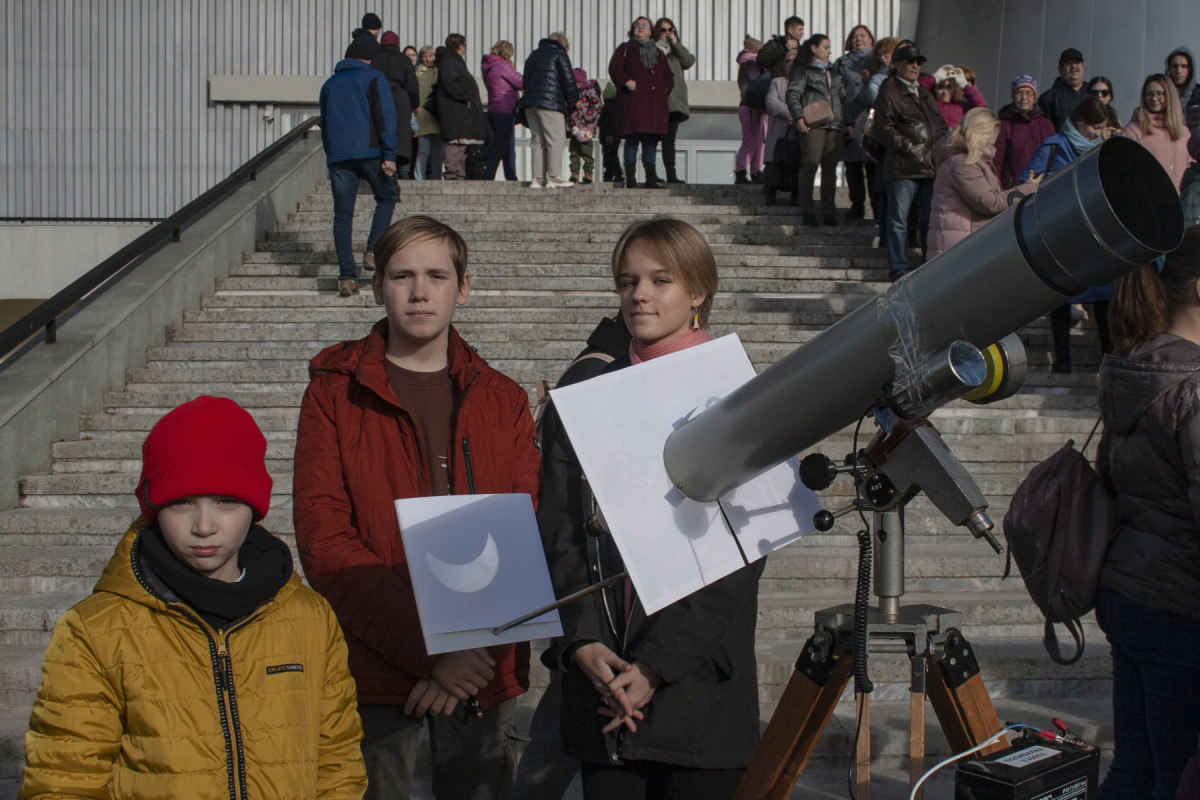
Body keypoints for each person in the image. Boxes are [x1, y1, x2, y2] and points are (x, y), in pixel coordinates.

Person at [293, 214, 541, 800]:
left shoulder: (502, 398)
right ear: (378, 287)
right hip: (380, 666)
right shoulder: (333, 391)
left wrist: (464, 659)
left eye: (436, 275)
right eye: (402, 275)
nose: (420, 291)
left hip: (484, 668)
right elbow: (327, 541)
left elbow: (523, 533)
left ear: (464, 286)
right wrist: (431, 653)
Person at [19, 396, 367, 799]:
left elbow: (337, 761)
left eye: (226, 502)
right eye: (181, 503)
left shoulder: (310, 617)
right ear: (154, 508)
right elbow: (63, 781)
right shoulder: (96, 630)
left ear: (254, 507)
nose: (204, 526)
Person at [538, 217, 764, 800]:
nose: (639, 294)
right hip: (602, 681)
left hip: (699, 693)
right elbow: (559, 528)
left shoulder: (737, 396)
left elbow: (741, 555)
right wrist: (583, 641)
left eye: (660, 280)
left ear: (697, 291)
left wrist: (657, 667)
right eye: (627, 280)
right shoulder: (584, 396)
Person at [1095, 224, 1200, 800]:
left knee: (1134, 769)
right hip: (1179, 600)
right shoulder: (1194, 383)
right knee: (1177, 778)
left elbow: (1112, 477)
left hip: (1130, 589)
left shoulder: (1133, 367)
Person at [510, 312, 632, 800]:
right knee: (559, 739)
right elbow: (565, 506)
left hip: (605, 591)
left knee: (556, 736)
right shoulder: (598, 372)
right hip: (601, 586)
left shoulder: (600, 361)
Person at [1023, 97, 1117, 372]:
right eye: (1095, 127)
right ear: (1081, 123)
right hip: (1063, 235)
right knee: (1062, 298)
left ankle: (1108, 358)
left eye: (1103, 128)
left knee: (1103, 299)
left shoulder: (1101, 151)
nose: (1098, 134)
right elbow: (1026, 183)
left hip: (1097, 235)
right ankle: (1063, 361)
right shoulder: (1052, 147)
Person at [319, 35, 398, 298]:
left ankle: (347, 277)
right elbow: (384, 117)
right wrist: (390, 153)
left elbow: (325, 123)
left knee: (343, 214)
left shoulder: (329, 84)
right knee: (387, 196)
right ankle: (373, 251)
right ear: (370, 57)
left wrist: (331, 154)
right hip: (371, 151)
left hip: (339, 156)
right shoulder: (374, 77)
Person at [874, 42, 948, 281]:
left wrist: (944, 145)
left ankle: (929, 262)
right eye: (910, 62)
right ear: (897, 65)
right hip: (903, 167)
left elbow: (939, 124)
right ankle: (898, 266)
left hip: (929, 165)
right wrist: (908, 147)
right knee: (898, 220)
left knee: (929, 218)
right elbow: (883, 128)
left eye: (918, 62)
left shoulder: (924, 93)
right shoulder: (889, 90)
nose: (915, 66)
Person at [927, 107, 1040, 258]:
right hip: (960, 246)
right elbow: (989, 203)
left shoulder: (968, 161)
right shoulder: (964, 164)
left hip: (961, 241)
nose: (992, 144)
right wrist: (1028, 188)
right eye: (990, 139)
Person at [787, 33, 847, 226]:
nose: (829, 51)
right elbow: (793, 93)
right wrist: (798, 117)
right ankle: (808, 210)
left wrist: (849, 122)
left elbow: (843, 97)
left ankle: (829, 211)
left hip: (835, 123)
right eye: (825, 47)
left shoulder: (835, 71)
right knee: (810, 163)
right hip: (814, 122)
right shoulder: (803, 70)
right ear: (814, 48)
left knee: (830, 168)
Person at [609, 17, 674, 189]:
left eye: (644, 25)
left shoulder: (658, 53)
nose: (640, 28)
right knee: (631, 139)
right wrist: (626, 82)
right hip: (633, 103)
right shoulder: (625, 49)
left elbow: (669, 77)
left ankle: (650, 179)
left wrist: (663, 90)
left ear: (651, 31)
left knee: (650, 141)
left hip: (654, 105)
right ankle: (630, 179)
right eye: (637, 25)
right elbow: (614, 69)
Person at [520, 33, 579, 189]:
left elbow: (525, 80)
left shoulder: (533, 55)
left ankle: (537, 179)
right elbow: (568, 80)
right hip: (551, 101)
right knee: (555, 138)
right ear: (563, 44)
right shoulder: (559, 53)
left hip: (530, 102)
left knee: (537, 140)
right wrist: (574, 101)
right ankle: (554, 177)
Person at [1122, 73, 1194, 193]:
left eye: (1160, 93)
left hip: (1179, 204)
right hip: (1148, 204)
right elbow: (1124, 170)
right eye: (1149, 94)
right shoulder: (1134, 131)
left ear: (1169, 96)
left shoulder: (1184, 133)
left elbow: (1192, 169)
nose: (1154, 98)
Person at [837, 24, 876, 220]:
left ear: (871, 39)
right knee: (853, 166)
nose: (858, 39)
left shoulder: (878, 60)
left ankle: (877, 208)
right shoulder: (841, 63)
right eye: (854, 36)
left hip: (873, 119)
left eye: (863, 35)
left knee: (873, 165)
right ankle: (857, 206)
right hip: (850, 117)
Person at [435, 34, 487, 181]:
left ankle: (458, 173)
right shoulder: (450, 60)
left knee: (461, 144)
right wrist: (466, 95)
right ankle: (452, 173)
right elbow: (451, 82)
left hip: (459, 110)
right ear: (460, 46)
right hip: (456, 111)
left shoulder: (451, 60)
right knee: (455, 143)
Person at [372, 31, 420, 186]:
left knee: (381, 130)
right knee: (401, 134)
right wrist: (414, 104)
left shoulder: (375, 58)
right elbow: (413, 87)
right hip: (400, 98)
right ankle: (403, 172)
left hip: (379, 96)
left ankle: (382, 170)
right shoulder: (403, 60)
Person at [994, 74, 1055, 189]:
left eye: (1028, 93)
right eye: (1019, 93)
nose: (1024, 97)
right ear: (1013, 96)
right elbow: (997, 163)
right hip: (1014, 189)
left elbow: (1054, 157)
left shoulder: (1047, 125)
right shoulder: (1004, 125)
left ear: (1034, 96)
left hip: (1042, 187)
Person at [654, 17, 695, 184]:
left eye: (671, 30)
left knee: (669, 139)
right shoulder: (653, 49)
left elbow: (689, 61)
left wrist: (676, 43)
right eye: (664, 30)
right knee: (651, 138)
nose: (667, 33)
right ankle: (650, 173)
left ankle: (671, 175)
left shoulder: (676, 52)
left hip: (674, 102)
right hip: (657, 101)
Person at [481, 40, 524, 181]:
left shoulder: (490, 66)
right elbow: (521, 82)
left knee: (508, 147)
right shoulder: (502, 65)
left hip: (494, 109)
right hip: (504, 110)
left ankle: (511, 176)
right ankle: (488, 176)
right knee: (500, 146)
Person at [763, 50, 801, 205]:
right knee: (774, 166)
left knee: (796, 166)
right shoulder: (777, 82)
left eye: (794, 60)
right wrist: (788, 112)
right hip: (778, 132)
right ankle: (771, 197)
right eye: (788, 61)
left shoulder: (804, 83)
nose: (791, 63)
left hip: (797, 133)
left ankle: (795, 198)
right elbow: (771, 102)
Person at [735, 35, 767, 185]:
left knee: (759, 141)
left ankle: (754, 170)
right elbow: (758, 86)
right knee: (752, 140)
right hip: (752, 107)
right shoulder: (752, 63)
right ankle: (743, 170)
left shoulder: (747, 64)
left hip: (753, 107)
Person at [1037, 47, 1087, 131]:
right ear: (1060, 70)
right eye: (1068, 63)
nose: (1074, 66)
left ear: (1083, 66)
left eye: (1077, 62)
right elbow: (1043, 132)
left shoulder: (1095, 93)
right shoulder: (1048, 98)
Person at [568, 68, 602, 184]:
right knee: (574, 152)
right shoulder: (571, 92)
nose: (577, 85)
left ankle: (588, 172)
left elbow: (597, 106)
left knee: (587, 151)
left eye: (579, 82)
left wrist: (587, 118)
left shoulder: (589, 90)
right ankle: (574, 172)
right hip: (574, 127)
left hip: (586, 128)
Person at [414, 46, 443, 180]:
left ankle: (436, 177)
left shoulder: (440, 72)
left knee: (438, 152)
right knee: (423, 150)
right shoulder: (417, 73)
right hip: (423, 115)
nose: (428, 59)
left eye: (431, 56)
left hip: (437, 115)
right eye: (425, 56)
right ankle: (419, 177)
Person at [930, 63, 986, 130]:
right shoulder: (931, 104)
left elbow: (981, 107)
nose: (969, 85)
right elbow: (920, 90)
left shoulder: (962, 105)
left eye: (971, 82)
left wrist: (965, 86)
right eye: (965, 81)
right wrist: (935, 77)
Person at [1166, 47, 1200, 134]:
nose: (1178, 71)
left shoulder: (1198, 95)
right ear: (1168, 69)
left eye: (1184, 66)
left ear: (1190, 69)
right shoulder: (1161, 95)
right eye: (1174, 66)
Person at [599, 82, 624, 184]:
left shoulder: (608, 108)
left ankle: (613, 174)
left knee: (610, 156)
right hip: (615, 137)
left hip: (608, 137)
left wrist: (609, 134)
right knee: (613, 155)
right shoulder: (617, 108)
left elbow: (608, 122)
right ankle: (613, 174)